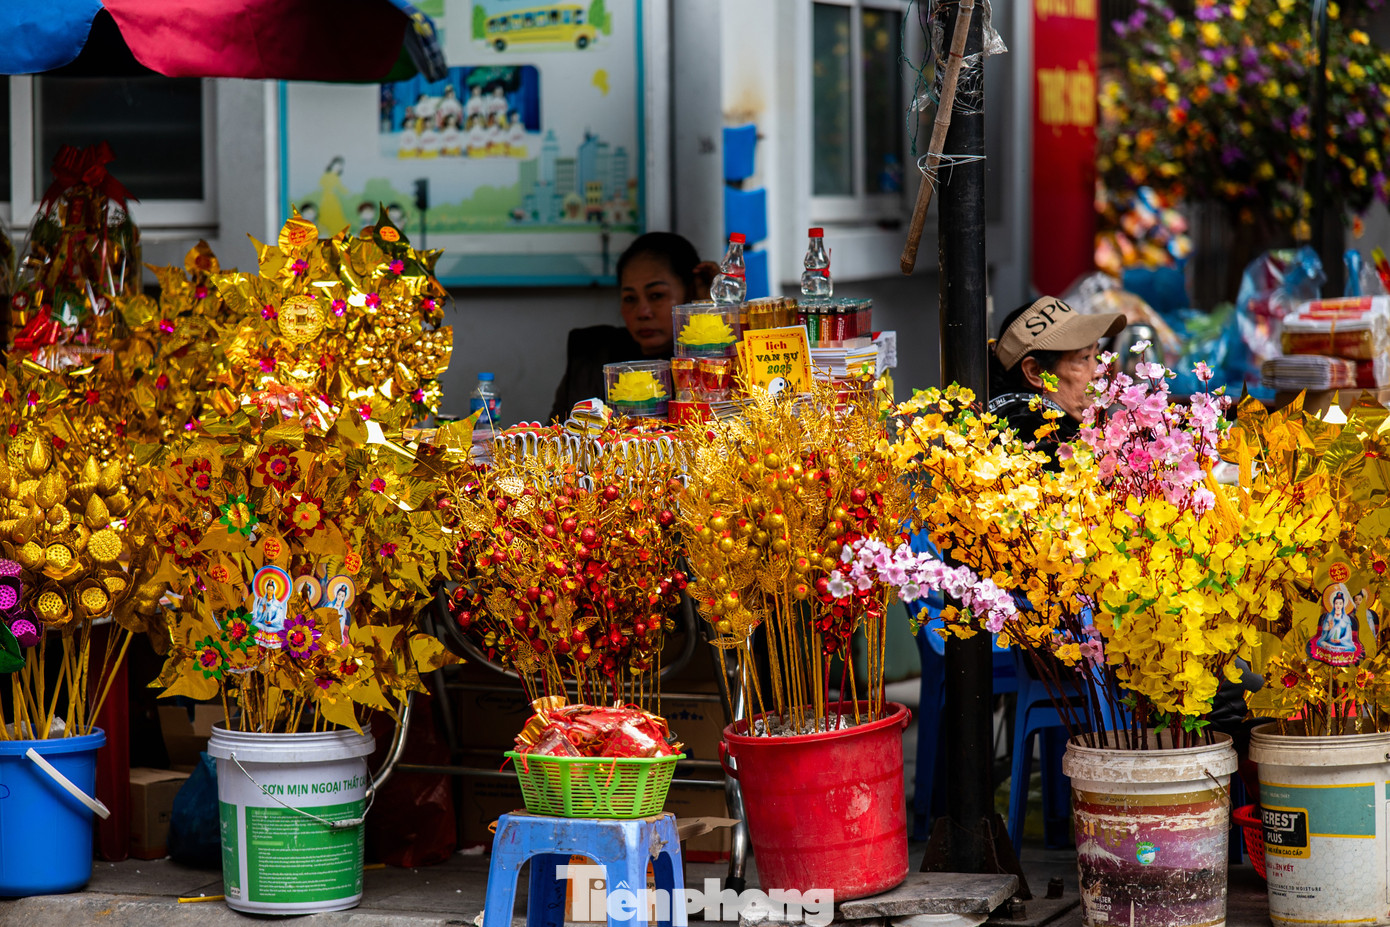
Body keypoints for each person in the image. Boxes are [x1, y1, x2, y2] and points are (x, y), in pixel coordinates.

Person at [548, 233, 716, 423]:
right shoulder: (593, 358)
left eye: (656, 295)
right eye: (630, 298)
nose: (642, 312)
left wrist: (709, 309)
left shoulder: (718, 365)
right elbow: (552, 443)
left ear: (690, 292)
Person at [986, 295, 1126, 462]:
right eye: (1084, 358)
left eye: (1095, 355)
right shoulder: (1036, 436)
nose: (1098, 372)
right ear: (1035, 372)